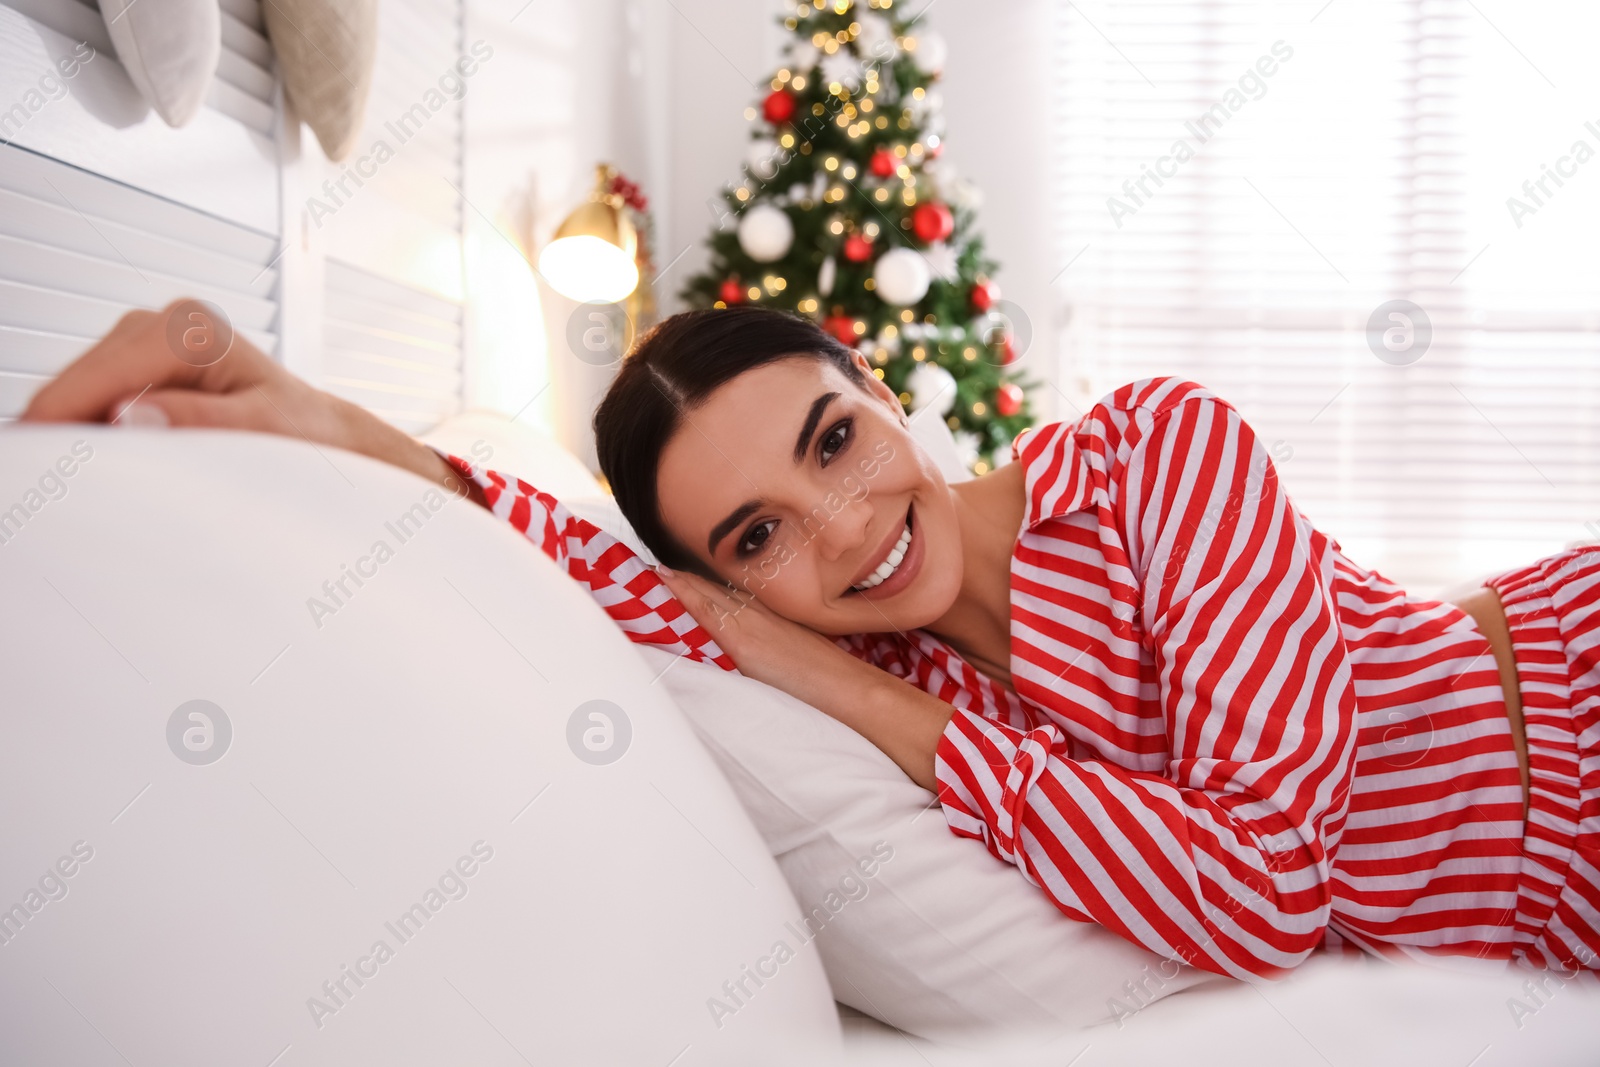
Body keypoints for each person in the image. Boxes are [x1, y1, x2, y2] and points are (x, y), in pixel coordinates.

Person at [20, 300, 1600, 982]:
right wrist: (358, 438)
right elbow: (609, 578)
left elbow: (1267, 891)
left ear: (888, 387)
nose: (842, 530)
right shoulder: (891, 670)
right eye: (758, 537)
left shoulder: (1155, 455)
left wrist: (851, 687)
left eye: (835, 441)